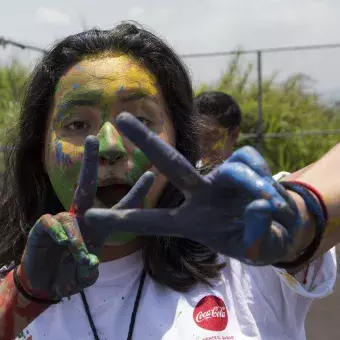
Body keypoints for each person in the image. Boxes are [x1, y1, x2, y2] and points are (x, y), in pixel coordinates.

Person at [0, 22, 337, 340]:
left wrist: (302, 215)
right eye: (76, 124)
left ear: (179, 139)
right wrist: (24, 293)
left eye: (140, 119)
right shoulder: (15, 282)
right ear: (38, 151)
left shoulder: (239, 248)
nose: (110, 146)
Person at [195, 91, 241, 169]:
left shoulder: (247, 177)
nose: (201, 146)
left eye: (211, 137)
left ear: (234, 135)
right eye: (195, 137)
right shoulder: (187, 174)